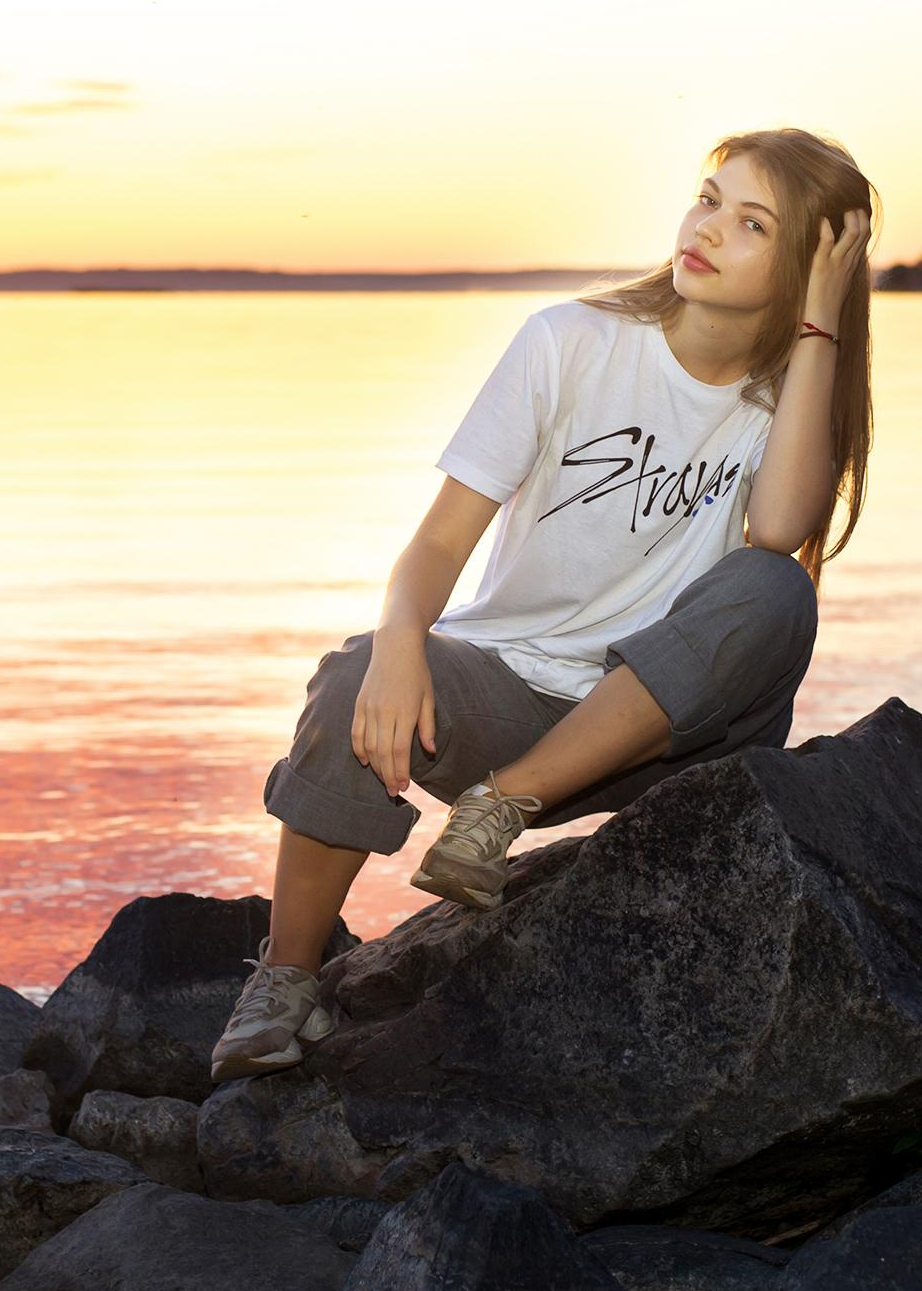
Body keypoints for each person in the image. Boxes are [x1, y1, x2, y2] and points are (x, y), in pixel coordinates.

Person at [209, 127, 877, 1082]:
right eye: (708, 196)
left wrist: (819, 323)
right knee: (355, 673)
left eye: (753, 223)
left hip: (669, 735)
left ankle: (501, 808)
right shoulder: (571, 343)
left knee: (774, 588)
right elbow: (439, 542)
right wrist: (401, 643)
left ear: (813, 265)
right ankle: (286, 977)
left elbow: (778, 533)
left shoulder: (792, 403)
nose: (707, 227)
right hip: (513, 694)